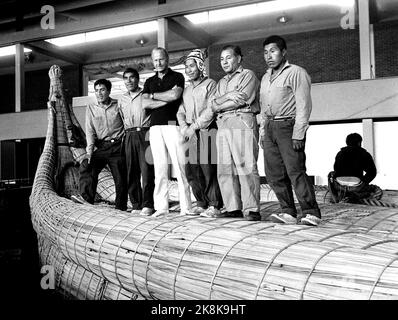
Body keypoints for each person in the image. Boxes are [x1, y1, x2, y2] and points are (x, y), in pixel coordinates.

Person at [259, 35, 321, 226]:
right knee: (274, 174)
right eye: (266, 52)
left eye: (273, 51)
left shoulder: (296, 73)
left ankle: (311, 212)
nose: (269, 56)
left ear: (284, 52)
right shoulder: (265, 77)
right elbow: (262, 107)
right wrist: (262, 131)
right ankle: (288, 211)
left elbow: (303, 105)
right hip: (269, 127)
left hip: (288, 126)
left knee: (295, 170)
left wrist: (299, 133)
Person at [209, 45, 261, 221]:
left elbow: (243, 99)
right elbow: (213, 106)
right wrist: (229, 95)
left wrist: (221, 102)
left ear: (239, 58)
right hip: (223, 123)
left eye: (228, 58)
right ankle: (233, 208)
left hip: (241, 119)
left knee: (246, 165)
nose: (224, 62)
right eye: (222, 59)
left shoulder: (248, 75)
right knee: (225, 168)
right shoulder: (221, 82)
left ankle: (251, 209)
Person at [142, 47, 192, 217]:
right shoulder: (149, 81)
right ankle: (161, 207)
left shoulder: (177, 76)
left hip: (173, 125)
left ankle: (186, 207)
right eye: (155, 60)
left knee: (180, 168)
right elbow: (145, 104)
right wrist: (166, 98)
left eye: (161, 59)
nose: (158, 63)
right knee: (160, 169)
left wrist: (154, 96)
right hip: (155, 128)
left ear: (167, 59)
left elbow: (176, 95)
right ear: (152, 61)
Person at [177, 49, 223, 218]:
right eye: (186, 67)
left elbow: (211, 110)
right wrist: (184, 126)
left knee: (208, 168)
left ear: (200, 66)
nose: (189, 70)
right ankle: (201, 203)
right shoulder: (187, 90)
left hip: (206, 130)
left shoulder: (210, 84)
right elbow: (180, 110)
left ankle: (215, 205)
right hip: (189, 132)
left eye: (192, 66)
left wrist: (193, 126)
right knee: (192, 169)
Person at [71, 79, 128, 211]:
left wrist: (125, 144)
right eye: (96, 90)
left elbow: (126, 124)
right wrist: (89, 151)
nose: (99, 93)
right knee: (87, 165)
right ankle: (86, 199)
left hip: (118, 146)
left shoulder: (118, 104)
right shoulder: (91, 108)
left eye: (102, 90)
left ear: (109, 91)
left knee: (120, 178)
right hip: (101, 146)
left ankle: (121, 207)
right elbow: (90, 130)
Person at [118, 68, 155, 215]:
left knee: (147, 171)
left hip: (145, 134)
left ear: (137, 79)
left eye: (132, 77)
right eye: (126, 78)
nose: (129, 81)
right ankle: (136, 204)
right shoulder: (122, 99)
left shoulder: (145, 95)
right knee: (131, 172)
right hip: (129, 135)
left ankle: (148, 204)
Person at [328, 133, 382, 203]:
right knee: (369, 190)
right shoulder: (364, 154)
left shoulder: (340, 154)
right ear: (359, 143)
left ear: (347, 142)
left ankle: (335, 197)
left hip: (340, 186)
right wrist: (363, 182)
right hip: (356, 186)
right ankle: (356, 196)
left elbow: (336, 169)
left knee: (330, 174)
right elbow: (372, 172)